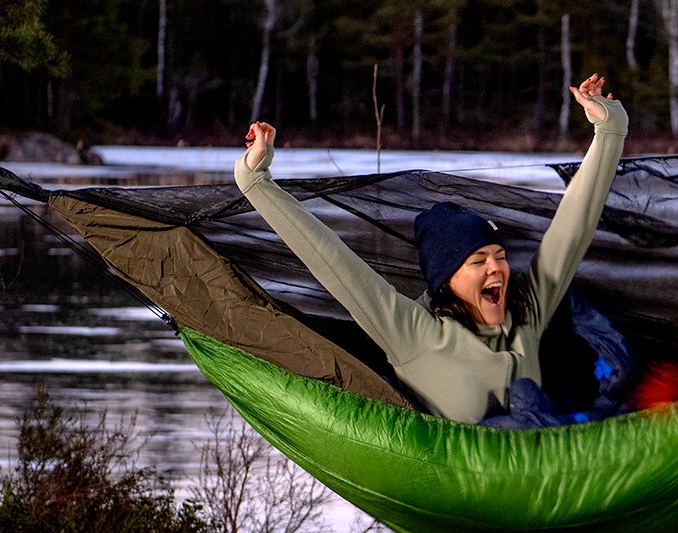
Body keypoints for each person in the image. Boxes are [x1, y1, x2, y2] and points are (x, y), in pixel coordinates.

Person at [235, 74, 627, 424]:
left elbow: (573, 230)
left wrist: (609, 131)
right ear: (448, 277)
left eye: (500, 257)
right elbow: (328, 256)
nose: (497, 268)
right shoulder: (410, 330)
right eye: (479, 260)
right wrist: (255, 181)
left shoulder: (525, 316)